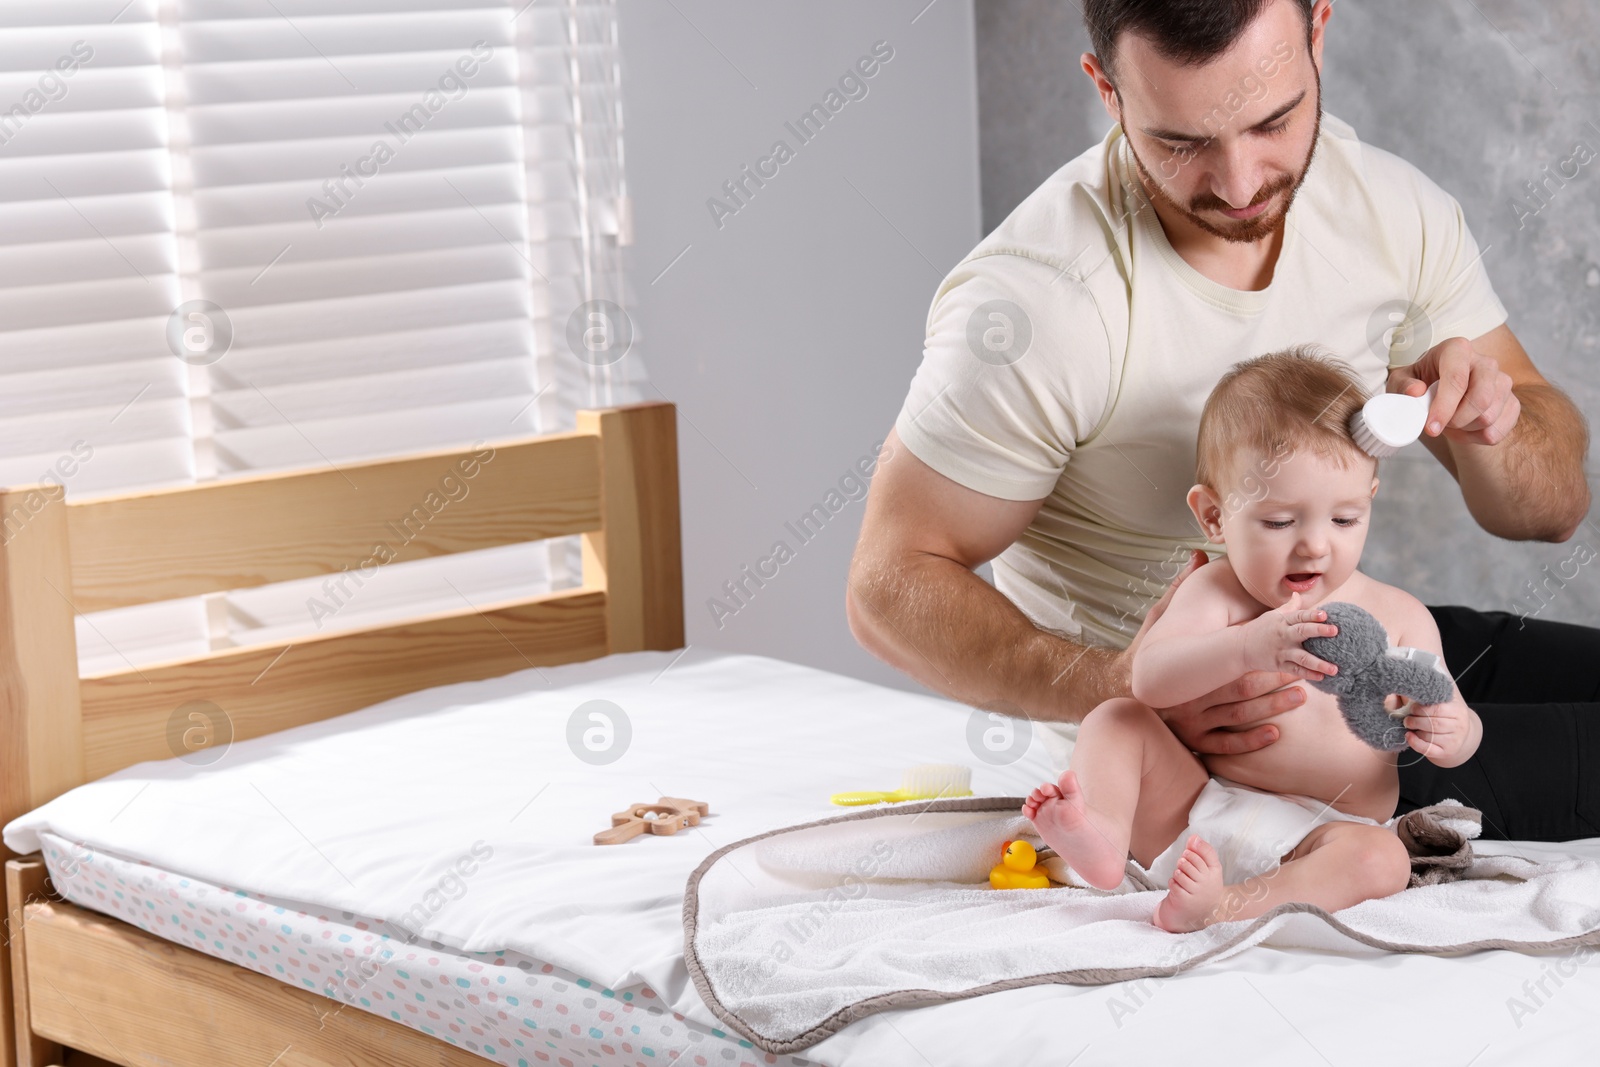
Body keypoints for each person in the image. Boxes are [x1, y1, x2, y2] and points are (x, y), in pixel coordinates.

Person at [846, 0, 1594, 841]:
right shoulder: (1038, 305)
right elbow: (887, 586)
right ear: (1108, 90)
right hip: (1257, 750)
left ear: (1318, 30)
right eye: (1182, 142)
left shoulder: (1388, 210)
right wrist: (1124, 682)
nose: (1241, 185)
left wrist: (1488, 425)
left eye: (1273, 121)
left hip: (1371, 649)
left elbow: (1552, 509)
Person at [1023, 349, 1478, 931]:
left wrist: (1455, 732)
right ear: (1214, 517)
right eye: (1280, 522)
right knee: (1115, 719)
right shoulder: (1216, 593)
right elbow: (1149, 679)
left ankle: (1228, 906)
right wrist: (1245, 646)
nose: (1315, 546)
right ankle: (1102, 837)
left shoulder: (1400, 615)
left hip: (1323, 836)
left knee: (1381, 860)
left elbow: (1453, 718)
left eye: (1343, 520)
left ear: (1370, 500)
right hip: (1198, 813)